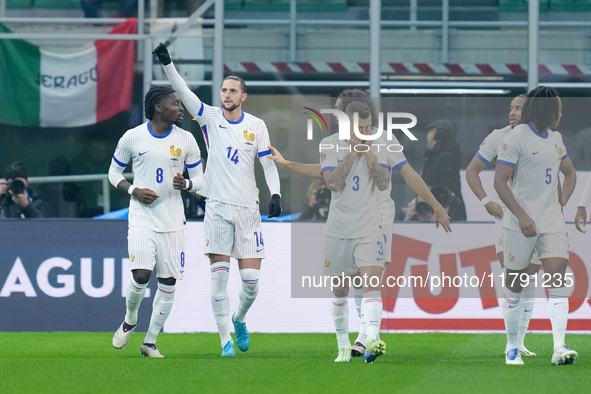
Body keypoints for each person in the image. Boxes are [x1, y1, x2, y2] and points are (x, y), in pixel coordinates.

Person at [271, 96, 451, 362]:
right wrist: (291, 164)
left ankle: (372, 337)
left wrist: (436, 205)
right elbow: (329, 179)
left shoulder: (385, 141)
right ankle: (348, 343)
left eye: (368, 128)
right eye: (360, 129)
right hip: (340, 224)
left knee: (369, 282)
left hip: (374, 220)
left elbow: (396, 177)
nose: (366, 133)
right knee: (343, 288)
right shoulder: (330, 144)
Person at [153, 43, 282, 357]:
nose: (226, 94)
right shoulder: (209, 118)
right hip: (218, 209)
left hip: (248, 210)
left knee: (251, 283)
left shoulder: (257, 126)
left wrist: (275, 193)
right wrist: (168, 64)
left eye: (232, 90)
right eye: (224, 89)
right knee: (219, 283)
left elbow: (267, 163)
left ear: (243, 96)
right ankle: (225, 341)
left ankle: (239, 319)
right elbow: (184, 93)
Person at [109, 86, 204, 358]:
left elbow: (202, 180)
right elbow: (113, 173)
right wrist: (133, 190)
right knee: (141, 275)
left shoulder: (186, 140)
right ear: (159, 108)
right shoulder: (133, 137)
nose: (180, 107)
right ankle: (130, 318)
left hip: (173, 220)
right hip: (141, 217)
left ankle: (150, 342)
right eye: (175, 103)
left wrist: (186, 183)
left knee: (168, 281)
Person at [494, 86, 577, 366]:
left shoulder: (556, 139)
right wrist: (520, 215)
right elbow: (499, 181)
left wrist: (561, 201)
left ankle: (559, 348)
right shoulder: (516, 137)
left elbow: (570, 173)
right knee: (515, 285)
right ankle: (512, 347)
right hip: (520, 223)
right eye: (558, 109)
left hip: (551, 222)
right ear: (548, 111)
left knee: (557, 282)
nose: (561, 114)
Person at [465, 94, 539, 357]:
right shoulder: (499, 136)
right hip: (507, 216)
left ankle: (520, 341)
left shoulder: (546, 138)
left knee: (529, 278)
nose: (512, 112)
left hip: (538, 216)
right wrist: (486, 201)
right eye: (511, 108)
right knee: (513, 274)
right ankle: (511, 344)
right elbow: (472, 170)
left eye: (518, 108)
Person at [421, 119, 467, 220]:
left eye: (429, 132)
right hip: (435, 216)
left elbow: (450, 191)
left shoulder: (445, 158)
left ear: (434, 131)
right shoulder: (432, 158)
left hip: (447, 218)